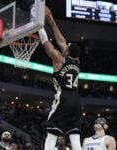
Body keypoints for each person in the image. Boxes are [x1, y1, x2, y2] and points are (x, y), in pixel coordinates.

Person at [38, 6, 82, 150]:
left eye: (66, 47)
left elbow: (47, 45)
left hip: (64, 97)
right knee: (74, 135)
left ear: (67, 50)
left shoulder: (59, 59)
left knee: (52, 133)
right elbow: (61, 41)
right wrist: (51, 22)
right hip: (76, 99)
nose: (65, 45)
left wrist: (39, 25)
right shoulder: (76, 61)